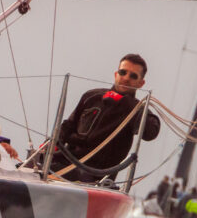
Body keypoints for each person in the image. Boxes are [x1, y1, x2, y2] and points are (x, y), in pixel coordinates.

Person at [48, 53, 161, 182]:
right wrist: (50, 145)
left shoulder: (136, 109)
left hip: (96, 176)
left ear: (141, 83)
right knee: (34, 165)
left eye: (133, 76)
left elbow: (151, 132)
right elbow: (68, 126)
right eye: (123, 72)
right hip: (65, 162)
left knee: (74, 176)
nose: (126, 78)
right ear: (116, 74)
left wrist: (127, 103)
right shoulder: (91, 96)